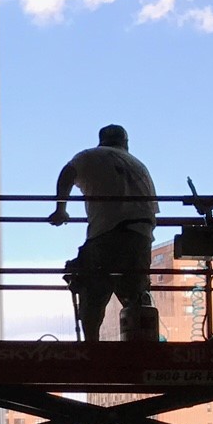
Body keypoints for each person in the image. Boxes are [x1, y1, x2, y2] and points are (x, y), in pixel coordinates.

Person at [49, 124, 158, 341]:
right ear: (125, 143)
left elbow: (67, 173)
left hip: (107, 233)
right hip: (140, 236)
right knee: (136, 296)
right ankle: (142, 342)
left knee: (92, 291)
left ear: (101, 140)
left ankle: (91, 345)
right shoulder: (139, 166)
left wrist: (61, 209)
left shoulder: (90, 156)